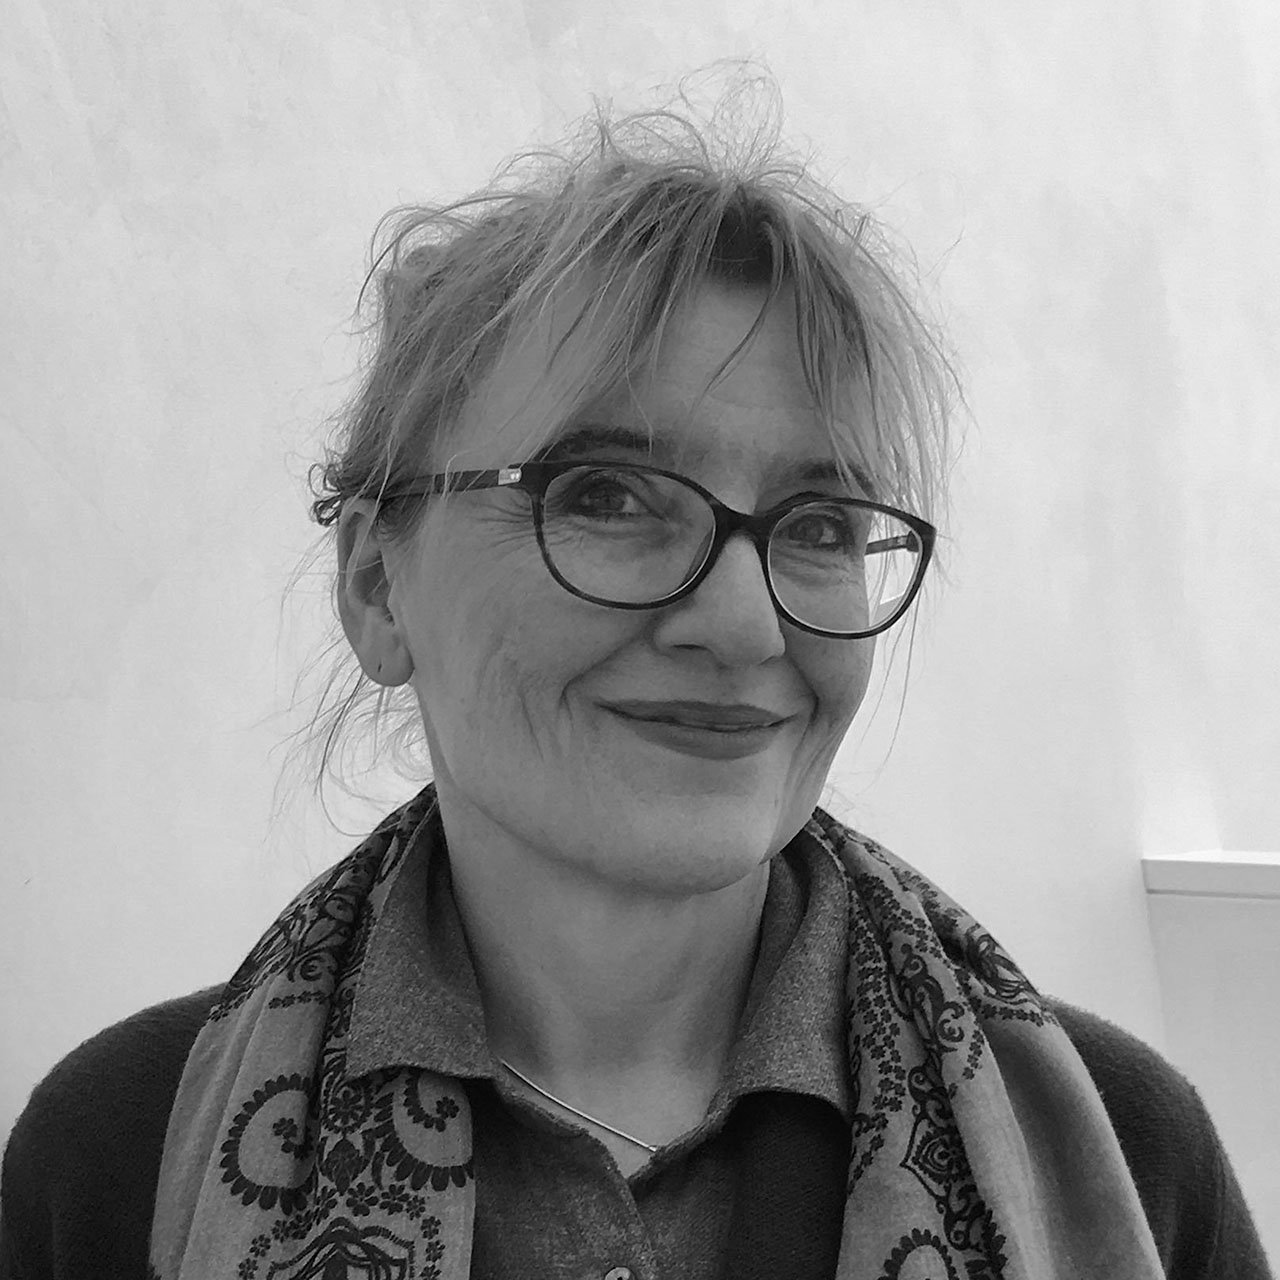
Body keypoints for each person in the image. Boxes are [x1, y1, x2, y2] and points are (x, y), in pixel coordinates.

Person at [1, 87, 1272, 1280]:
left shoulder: (1123, 1155)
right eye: (606, 496)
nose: (742, 623)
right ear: (378, 587)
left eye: (820, 523)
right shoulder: (116, 1156)